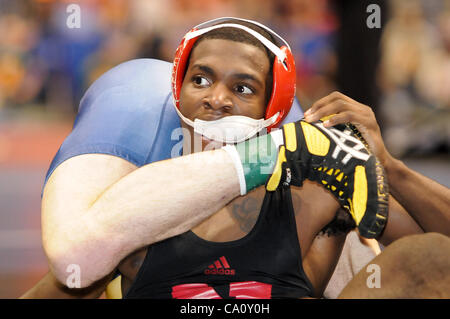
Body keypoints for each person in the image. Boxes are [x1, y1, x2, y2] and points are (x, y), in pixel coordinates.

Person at [22, 17, 449, 299]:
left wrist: (391, 168)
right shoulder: (137, 208)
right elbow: (70, 270)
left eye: (243, 88)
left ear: (274, 109)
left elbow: (439, 259)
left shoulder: (317, 193)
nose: (217, 99)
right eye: (201, 79)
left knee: (422, 257)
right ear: (177, 92)